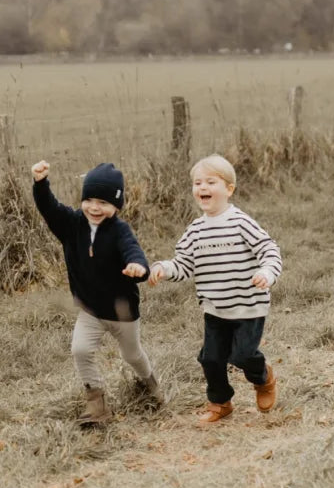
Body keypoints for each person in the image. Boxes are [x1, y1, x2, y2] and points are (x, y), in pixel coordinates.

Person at [148, 154, 282, 423]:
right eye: (198, 183)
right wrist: (164, 268)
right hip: (215, 307)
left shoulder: (241, 222)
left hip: (248, 304)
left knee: (242, 354)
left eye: (211, 182)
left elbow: (269, 250)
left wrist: (266, 272)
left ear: (229, 189)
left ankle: (263, 378)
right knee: (211, 358)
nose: (203, 188)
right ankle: (220, 402)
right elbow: (184, 264)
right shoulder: (195, 230)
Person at [31, 160, 162, 426]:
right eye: (89, 199)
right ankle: (97, 406)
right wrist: (40, 183)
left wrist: (139, 267)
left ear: (116, 205)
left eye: (103, 202)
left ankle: (151, 387)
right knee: (80, 350)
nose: (94, 207)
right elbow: (48, 208)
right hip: (90, 309)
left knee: (132, 355)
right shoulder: (70, 224)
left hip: (122, 311)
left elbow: (132, 250)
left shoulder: (120, 231)